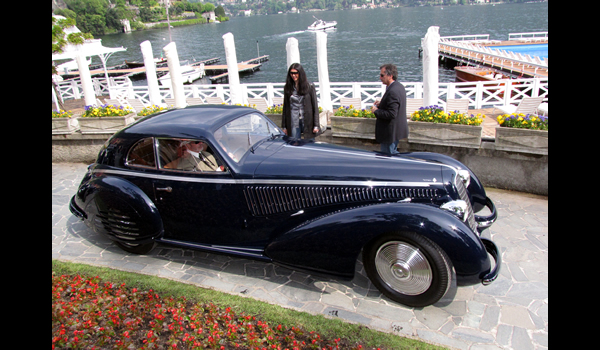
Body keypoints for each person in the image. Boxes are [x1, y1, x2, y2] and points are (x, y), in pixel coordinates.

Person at [371, 63, 408, 155]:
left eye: (382, 75)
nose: (380, 77)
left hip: (390, 133)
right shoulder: (399, 86)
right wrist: (382, 103)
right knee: (392, 155)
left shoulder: (393, 91)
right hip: (395, 131)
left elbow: (391, 113)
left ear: (390, 76)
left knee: (388, 157)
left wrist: (376, 111)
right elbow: (396, 105)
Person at [281, 63, 320, 139]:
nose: (293, 75)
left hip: (307, 119)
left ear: (300, 73)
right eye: (291, 73)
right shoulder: (288, 87)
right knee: (295, 143)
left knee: (309, 144)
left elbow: (315, 106)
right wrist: (284, 126)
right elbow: (285, 107)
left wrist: (316, 125)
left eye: (296, 73)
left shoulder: (310, 86)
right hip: (293, 119)